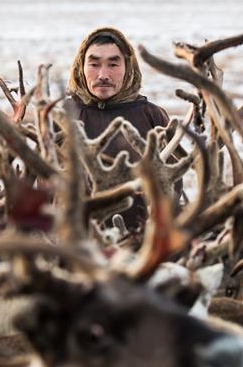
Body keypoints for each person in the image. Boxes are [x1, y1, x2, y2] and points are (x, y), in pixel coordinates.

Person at [66, 27, 174, 229]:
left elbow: (172, 183)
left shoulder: (152, 116)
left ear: (128, 66)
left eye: (113, 64)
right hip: (76, 241)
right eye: (94, 64)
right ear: (81, 67)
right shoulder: (63, 116)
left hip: (140, 239)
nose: (103, 75)